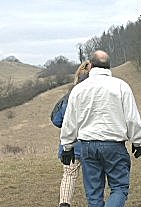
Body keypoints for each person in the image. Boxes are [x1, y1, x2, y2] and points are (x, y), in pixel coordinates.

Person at [60, 50, 141, 207]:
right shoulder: (121, 86)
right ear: (109, 66)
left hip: (87, 145)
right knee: (119, 188)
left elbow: (70, 121)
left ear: (90, 66)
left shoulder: (78, 89)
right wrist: (138, 141)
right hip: (114, 144)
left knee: (93, 193)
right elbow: (132, 118)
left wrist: (67, 146)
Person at [54, 60, 91, 207]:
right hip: (91, 143)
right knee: (92, 178)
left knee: (69, 176)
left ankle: (64, 203)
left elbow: (56, 119)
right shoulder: (98, 93)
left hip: (71, 144)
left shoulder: (69, 96)